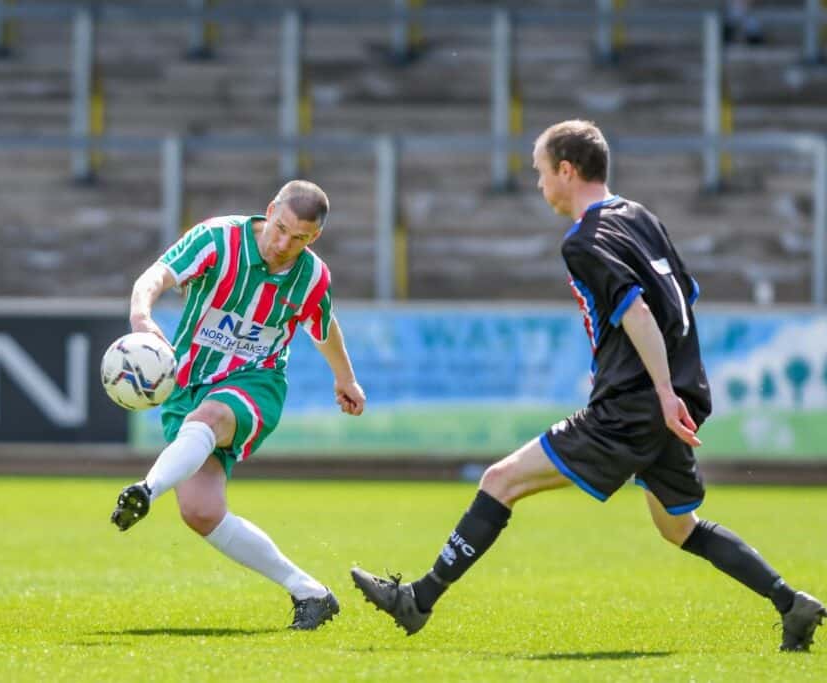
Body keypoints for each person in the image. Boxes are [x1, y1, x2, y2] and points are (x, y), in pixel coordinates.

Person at [351, 120, 825, 651]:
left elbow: (639, 312)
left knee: (499, 479)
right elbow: (683, 299)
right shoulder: (641, 217)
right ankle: (792, 603)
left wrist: (660, 392)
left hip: (636, 406)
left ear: (567, 171)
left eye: (540, 172)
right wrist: (673, 387)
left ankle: (418, 601)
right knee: (679, 527)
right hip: (670, 398)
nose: (538, 184)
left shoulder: (584, 240)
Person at [110, 180, 366, 631]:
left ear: (314, 238)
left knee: (209, 417)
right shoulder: (217, 239)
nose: (283, 244)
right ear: (269, 211)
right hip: (187, 383)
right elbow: (157, 275)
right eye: (280, 229)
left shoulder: (311, 276)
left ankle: (147, 489)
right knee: (201, 511)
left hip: (256, 381)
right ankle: (311, 593)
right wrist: (140, 315)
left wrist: (345, 378)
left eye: (299, 238)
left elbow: (322, 326)